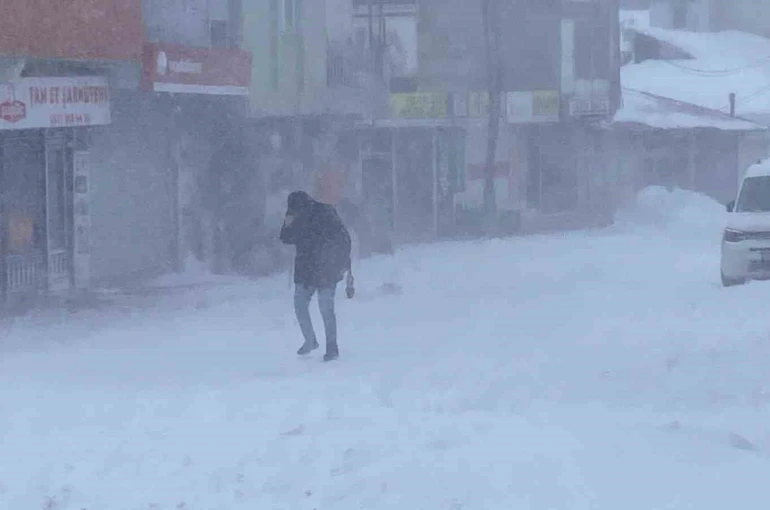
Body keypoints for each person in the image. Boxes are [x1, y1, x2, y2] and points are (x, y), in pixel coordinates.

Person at [279, 191, 353, 361]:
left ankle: (332, 347)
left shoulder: (325, 213)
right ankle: (310, 340)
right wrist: (287, 223)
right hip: (305, 269)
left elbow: (343, 238)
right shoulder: (295, 215)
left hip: (328, 268)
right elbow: (285, 238)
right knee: (300, 305)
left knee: (326, 308)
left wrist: (343, 263)